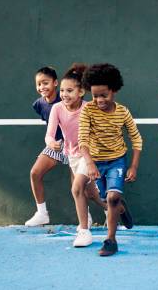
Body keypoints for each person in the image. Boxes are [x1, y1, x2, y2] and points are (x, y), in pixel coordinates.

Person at [78, 63, 142, 256]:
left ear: (114, 90)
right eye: (95, 95)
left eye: (103, 95)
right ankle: (121, 210)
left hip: (117, 161)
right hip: (97, 163)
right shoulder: (88, 110)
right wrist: (89, 163)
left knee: (112, 197)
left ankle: (110, 241)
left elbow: (136, 138)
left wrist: (134, 166)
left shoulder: (123, 112)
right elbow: (83, 138)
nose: (99, 100)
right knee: (109, 199)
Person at [44, 63, 106, 246]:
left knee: (77, 187)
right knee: (91, 193)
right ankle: (113, 208)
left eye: (69, 90)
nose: (64, 94)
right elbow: (49, 134)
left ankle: (84, 231)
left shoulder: (89, 109)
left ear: (81, 92)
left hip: (90, 155)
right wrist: (51, 143)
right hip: (72, 155)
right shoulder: (57, 109)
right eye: (62, 90)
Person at [25, 66, 66, 226]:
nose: (42, 87)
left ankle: (108, 210)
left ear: (56, 83)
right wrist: (52, 142)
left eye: (46, 83)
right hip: (53, 144)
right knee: (35, 173)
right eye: (39, 84)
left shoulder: (65, 100)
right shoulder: (38, 104)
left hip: (73, 145)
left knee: (83, 188)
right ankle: (42, 214)